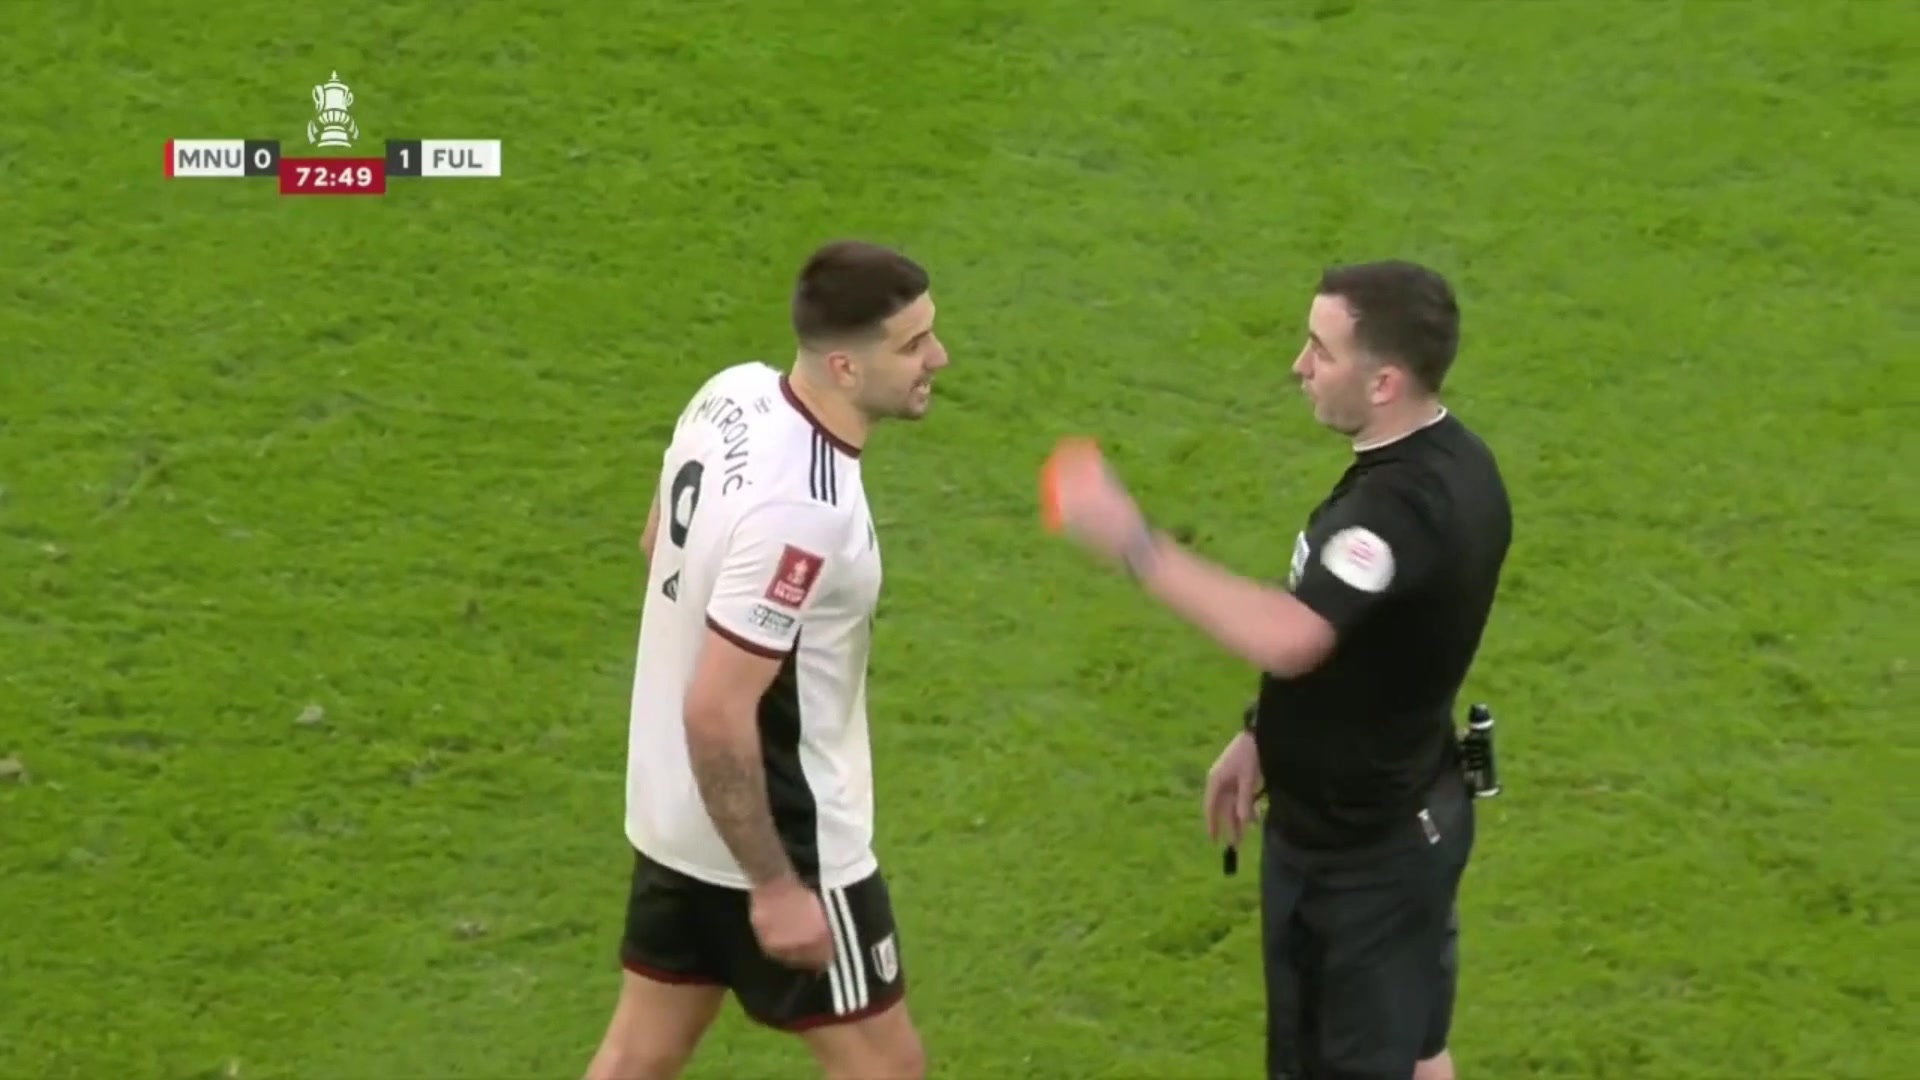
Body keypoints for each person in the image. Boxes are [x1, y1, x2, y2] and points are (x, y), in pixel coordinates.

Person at [1041, 260, 1511, 1080]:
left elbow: (1292, 636)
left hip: (1358, 863)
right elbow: (1375, 645)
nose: (1299, 366)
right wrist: (1265, 733)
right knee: (1418, 1052)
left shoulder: (1394, 510)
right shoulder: (1456, 459)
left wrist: (1134, 542)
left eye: (1321, 351)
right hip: (1414, 818)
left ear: (1384, 383)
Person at [585, 240, 948, 1080]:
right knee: (887, 1069)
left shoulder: (730, 393)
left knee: (638, 1055)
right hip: (783, 839)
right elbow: (717, 708)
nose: (938, 358)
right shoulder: (808, 510)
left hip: (676, 815)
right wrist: (778, 886)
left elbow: (655, 544)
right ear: (845, 367)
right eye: (913, 344)